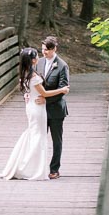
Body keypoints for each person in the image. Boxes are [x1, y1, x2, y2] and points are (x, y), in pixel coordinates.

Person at [0, 47, 69, 181]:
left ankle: (29, 165)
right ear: (32, 60)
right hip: (37, 108)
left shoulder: (25, 73)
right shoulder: (33, 76)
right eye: (37, 56)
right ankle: (29, 168)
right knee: (38, 136)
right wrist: (62, 90)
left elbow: (29, 89)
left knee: (34, 134)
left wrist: (28, 94)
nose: (39, 57)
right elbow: (44, 93)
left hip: (33, 106)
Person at [37, 35, 70, 179]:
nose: (44, 52)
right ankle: (39, 167)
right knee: (39, 138)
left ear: (54, 49)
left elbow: (63, 88)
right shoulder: (39, 62)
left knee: (56, 141)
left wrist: (45, 99)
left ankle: (54, 169)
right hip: (40, 110)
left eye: (47, 50)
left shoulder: (62, 65)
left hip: (56, 109)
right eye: (43, 49)